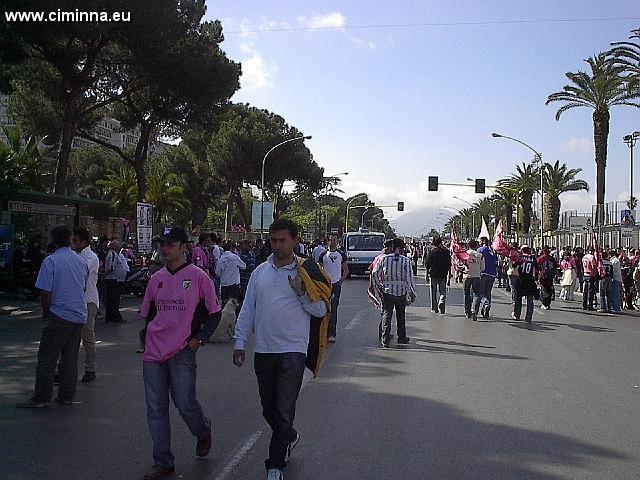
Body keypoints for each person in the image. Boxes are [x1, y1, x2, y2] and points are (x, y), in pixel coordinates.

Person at [233, 219, 328, 480]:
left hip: (293, 351)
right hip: (263, 350)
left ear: (295, 240)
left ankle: (275, 465)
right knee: (268, 408)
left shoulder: (307, 272)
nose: (277, 245)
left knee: (285, 407)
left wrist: (300, 293)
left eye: (282, 240)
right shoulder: (259, 273)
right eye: (273, 240)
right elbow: (248, 309)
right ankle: (289, 435)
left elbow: (321, 310)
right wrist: (239, 341)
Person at [140, 226, 222, 480]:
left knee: (185, 403)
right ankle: (162, 461)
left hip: (182, 350)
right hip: (154, 353)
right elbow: (149, 314)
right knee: (156, 408)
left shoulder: (199, 277)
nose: (165, 249)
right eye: (162, 244)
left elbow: (214, 313)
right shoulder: (156, 279)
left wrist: (198, 339)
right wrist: (145, 338)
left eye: (170, 244)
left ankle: (202, 430)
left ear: (184, 247)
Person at [17, 225, 89, 408]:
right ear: (70, 239)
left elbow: (45, 293)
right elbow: (83, 287)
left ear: (53, 240)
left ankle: (41, 397)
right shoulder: (81, 262)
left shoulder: (51, 261)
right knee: (70, 358)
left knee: (48, 357)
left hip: (59, 313)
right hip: (78, 314)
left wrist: (47, 312)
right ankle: (67, 396)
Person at [372, 237, 416, 347]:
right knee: (400, 316)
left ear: (392, 247)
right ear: (402, 249)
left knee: (387, 314)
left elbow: (374, 273)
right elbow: (409, 279)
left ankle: (385, 339)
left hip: (387, 291)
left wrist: (380, 287)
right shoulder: (406, 261)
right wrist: (412, 293)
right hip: (401, 292)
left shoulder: (384, 259)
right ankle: (401, 337)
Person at [72, 228, 100, 383]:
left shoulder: (91, 257)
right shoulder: (75, 255)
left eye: (75, 240)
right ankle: (62, 370)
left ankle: (90, 368)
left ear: (83, 242)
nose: (73, 243)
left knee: (87, 337)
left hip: (88, 301)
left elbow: (80, 270)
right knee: (68, 338)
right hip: (74, 301)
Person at [319, 235, 349, 342]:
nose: (333, 242)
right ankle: (323, 332)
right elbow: (319, 269)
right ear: (328, 242)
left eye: (335, 240)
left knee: (333, 308)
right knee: (322, 308)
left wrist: (340, 282)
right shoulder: (323, 255)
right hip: (324, 285)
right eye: (331, 240)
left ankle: (332, 333)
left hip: (335, 285)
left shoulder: (341, 255)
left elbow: (346, 270)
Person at [104, 239, 129, 322]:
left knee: (113, 298)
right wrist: (105, 275)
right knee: (114, 299)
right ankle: (114, 316)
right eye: (118, 244)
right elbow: (111, 267)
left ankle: (111, 316)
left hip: (117, 280)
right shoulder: (112, 254)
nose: (120, 245)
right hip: (113, 280)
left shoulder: (118, 255)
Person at [425, 236, 451, 314]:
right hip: (443, 274)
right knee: (443, 291)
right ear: (441, 242)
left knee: (433, 291)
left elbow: (428, 264)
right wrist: (449, 274)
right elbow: (449, 264)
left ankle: (434, 308)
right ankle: (441, 301)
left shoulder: (432, 252)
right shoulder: (446, 251)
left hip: (433, 274)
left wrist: (426, 274)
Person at [215, 241, 247, 306]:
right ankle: (235, 315)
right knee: (234, 304)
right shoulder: (235, 257)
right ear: (231, 248)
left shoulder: (221, 259)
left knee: (225, 303)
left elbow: (217, 273)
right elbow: (244, 266)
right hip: (234, 283)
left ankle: (224, 315)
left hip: (224, 284)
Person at [514, 245, 538, 323]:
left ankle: (517, 314)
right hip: (530, 280)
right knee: (530, 300)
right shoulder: (533, 258)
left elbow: (514, 265)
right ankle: (528, 317)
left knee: (518, 298)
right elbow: (537, 268)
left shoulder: (520, 257)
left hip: (521, 279)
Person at [463, 240, 484, 321]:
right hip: (476, 276)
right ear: (476, 246)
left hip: (467, 276)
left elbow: (460, 264)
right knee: (476, 294)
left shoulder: (464, 254)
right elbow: (483, 268)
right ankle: (474, 311)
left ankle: (467, 312)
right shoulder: (480, 255)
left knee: (466, 294)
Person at [477, 236, 498, 319]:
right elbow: (496, 262)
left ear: (482, 242)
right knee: (488, 292)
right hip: (492, 274)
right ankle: (486, 308)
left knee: (481, 292)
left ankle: (485, 304)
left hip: (483, 273)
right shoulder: (493, 251)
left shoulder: (480, 250)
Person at [582, 246, 598, 311]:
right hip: (591, 274)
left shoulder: (584, 257)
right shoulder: (591, 257)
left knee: (585, 291)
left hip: (585, 274)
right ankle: (590, 305)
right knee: (590, 291)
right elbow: (594, 266)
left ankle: (584, 305)